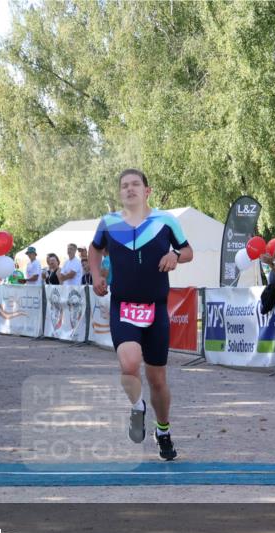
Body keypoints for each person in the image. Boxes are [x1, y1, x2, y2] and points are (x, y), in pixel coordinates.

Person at [88, 168, 193, 461]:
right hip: (123, 305)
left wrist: (174, 255)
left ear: (147, 191)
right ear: (120, 192)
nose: (130, 189)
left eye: (135, 184)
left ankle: (163, 430)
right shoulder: (108, 223)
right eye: (125, 185)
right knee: (129, 363)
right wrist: (96, 275)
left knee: (157, 379)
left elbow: (188, 251)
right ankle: (137, 408)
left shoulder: (166, 221)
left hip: (155, 308)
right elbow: (94, 250)